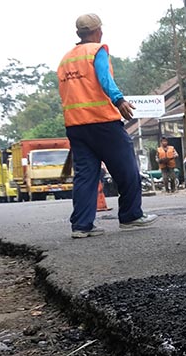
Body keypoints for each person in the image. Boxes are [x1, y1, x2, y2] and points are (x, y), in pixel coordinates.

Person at [57, 13, 157, 238]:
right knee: (127, 167)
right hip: (102, 122)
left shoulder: (65, 60)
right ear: (98, 31)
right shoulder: (96, 51)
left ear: (78, 33)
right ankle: (131, 216)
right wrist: (119, 100)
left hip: (75, 126)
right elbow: (105, 78)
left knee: (86, 175)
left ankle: (81, 225)